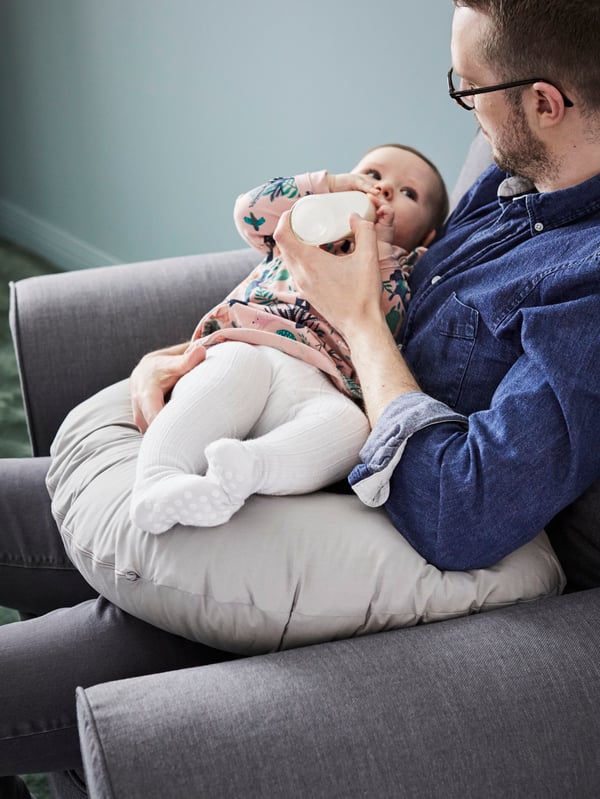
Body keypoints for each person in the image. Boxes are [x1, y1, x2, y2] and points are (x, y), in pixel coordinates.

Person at [1, 1, 599, 794]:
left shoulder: (584, 286)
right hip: (290, 433)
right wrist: (210, 346)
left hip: (336, 547)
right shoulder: (510, 176)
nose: (463, 107)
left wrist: (356, 324)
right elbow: (362, 285)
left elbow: (468, 508)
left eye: (469, 86)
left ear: (544, 103)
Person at [129, 144, 449, 533]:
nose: (383, 190)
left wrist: (377, 245)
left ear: (427, 237)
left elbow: (385, 316)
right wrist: (328, 185)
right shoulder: (299, 227)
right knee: (230, 369)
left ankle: (245, 468)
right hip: (249, 344)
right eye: (373, 175)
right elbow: (249, 212)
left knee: (350, 429)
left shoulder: (403, 272)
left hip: (322, 383)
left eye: (408, 193)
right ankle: (158, 481)